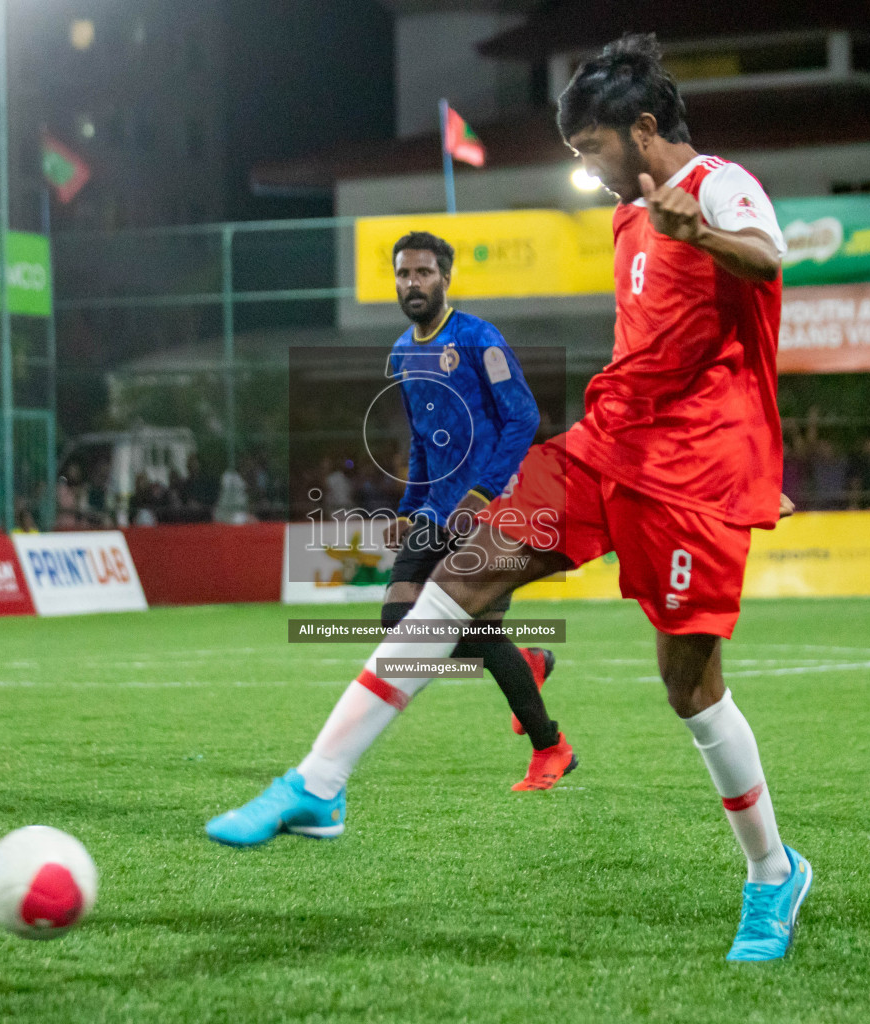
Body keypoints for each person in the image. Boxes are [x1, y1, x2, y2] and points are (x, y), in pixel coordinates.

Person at [207, 34, 809, 963]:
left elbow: (767, 259)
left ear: (643, 130)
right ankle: (318, 783)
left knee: (688, 688)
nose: (589, 170)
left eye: (592, 150)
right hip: (605, 450)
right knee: (460, 579)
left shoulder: (722, 186)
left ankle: (773, 874)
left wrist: (702, 234)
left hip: (698, 476)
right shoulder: (626, 219)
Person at [377, 230, 569, 790]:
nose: (413, 283)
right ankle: (525, 664)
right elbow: (421, 436)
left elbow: (524, 418)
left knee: (476, 630)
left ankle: (551, 747)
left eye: (424, 273)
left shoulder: (480, 338)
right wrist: (411, 505)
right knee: (397, 622)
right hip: (436, 510)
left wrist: (484, 490)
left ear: (445, 277)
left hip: (494, 510)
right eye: (404, 274)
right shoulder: (401, 351)